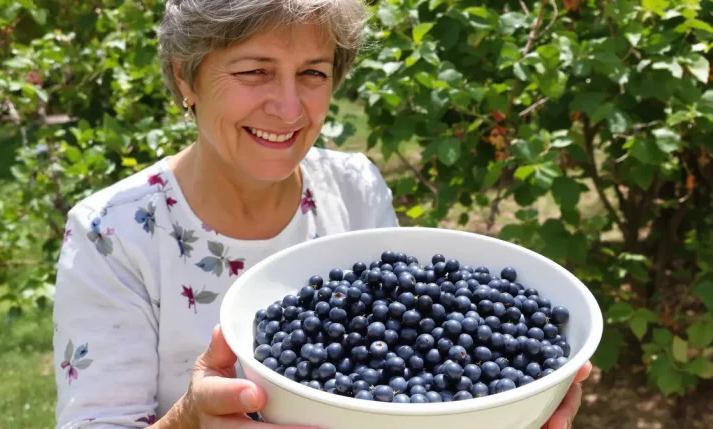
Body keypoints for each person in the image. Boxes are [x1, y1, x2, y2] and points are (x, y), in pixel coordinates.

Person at [52, 0, 591, 428]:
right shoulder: (112, 235)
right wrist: (190, 421)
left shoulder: (354, 187)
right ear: (185, 79)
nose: (289, 108)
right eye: (255, 71)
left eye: (312, 72)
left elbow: (406, 367)